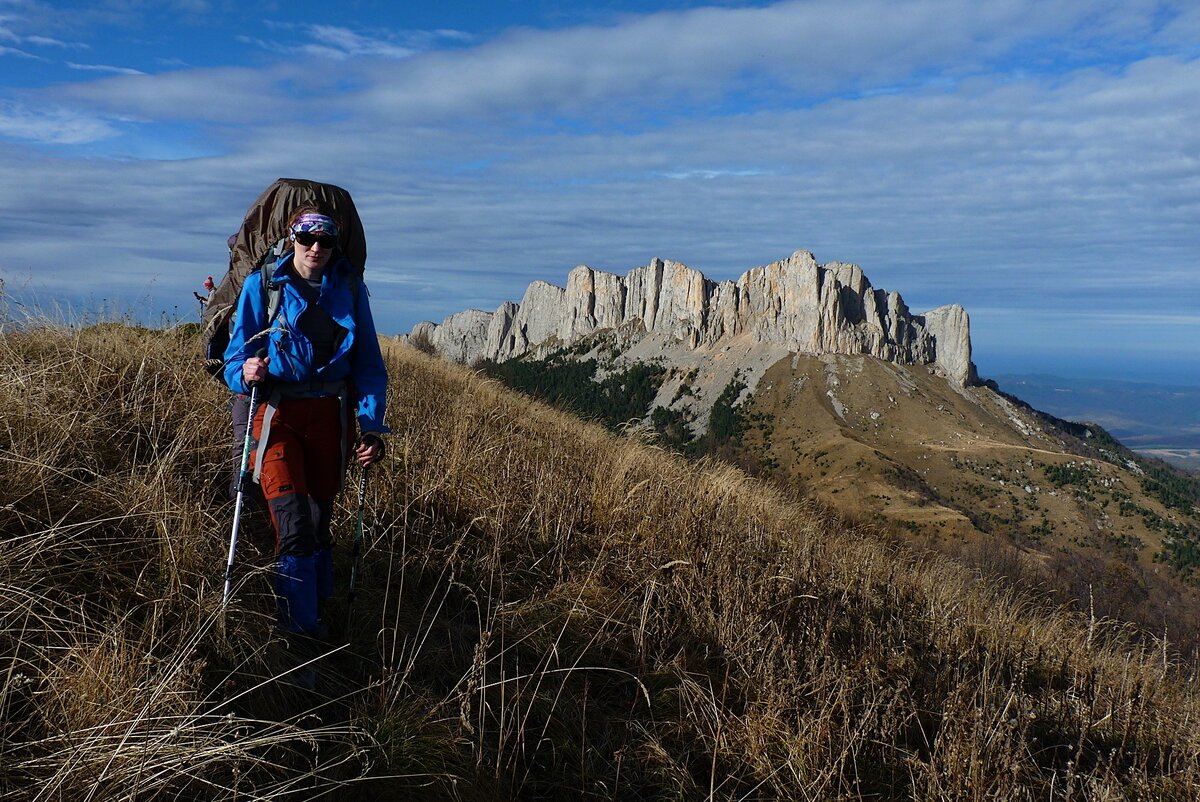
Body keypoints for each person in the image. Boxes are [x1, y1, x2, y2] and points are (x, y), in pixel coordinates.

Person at [223, 205, 388, 639]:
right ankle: (301, 639)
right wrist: (245, 372)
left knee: (317, 523)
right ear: (290, 238)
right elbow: (235, 356)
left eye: (326, 240)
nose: (316, 248)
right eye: (306, 237)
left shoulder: (350, 290)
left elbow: (368, 365)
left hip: (330, 421)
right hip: (277, 416)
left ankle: (317, 609)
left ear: (336, 244)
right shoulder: (264, 286)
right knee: (294, 525)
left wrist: (372, 427)